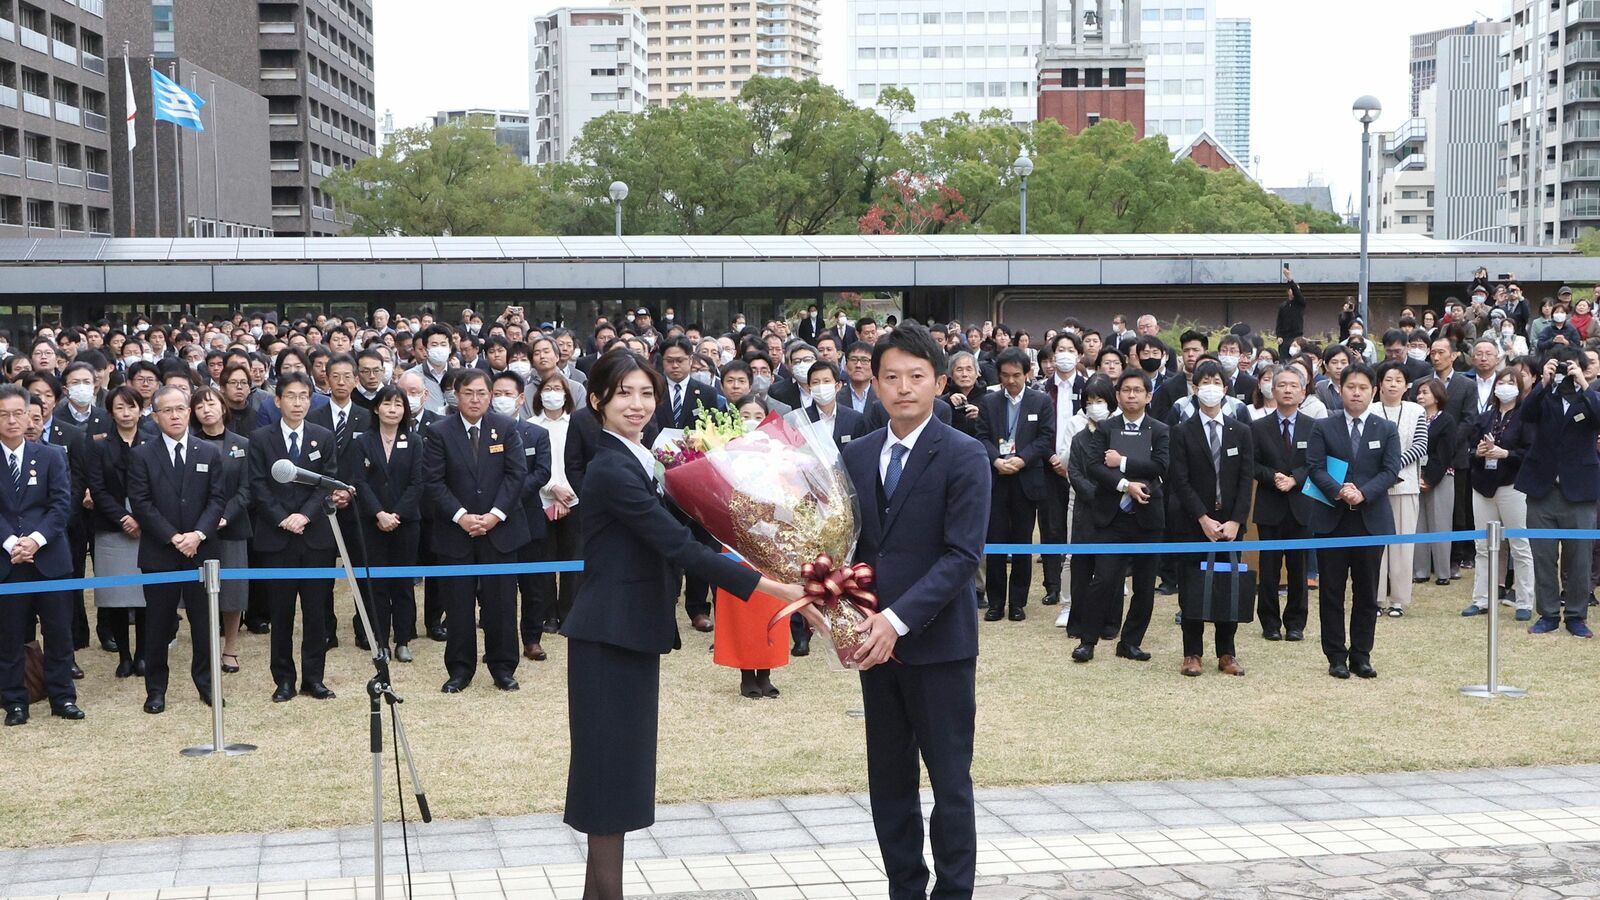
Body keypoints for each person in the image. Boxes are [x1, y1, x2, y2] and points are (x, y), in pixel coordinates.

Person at [560, 350, 804, 900]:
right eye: (624, 393)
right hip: (608, 636)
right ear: (598, 399)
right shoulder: (609, 467)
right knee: (608, 783)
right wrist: (775, 585)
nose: (637, 404)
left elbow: (690, 532)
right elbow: (678, 546)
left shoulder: (643, 458)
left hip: (630, 632)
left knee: (618, 779)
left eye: (646, 393)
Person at [836, 323, 989, 900]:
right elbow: (842, 547)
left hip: (939, 645)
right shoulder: (854, 453)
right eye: (891, 377)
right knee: (889, 782)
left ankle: (953, 892)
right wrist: (833, 609)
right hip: (874, 650)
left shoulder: (963, 454)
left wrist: (894, 620)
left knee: (950, 783)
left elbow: (961, 556)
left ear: (939, 382)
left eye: (917, 377)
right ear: (874, 383)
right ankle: (904, 888)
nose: (904, 388)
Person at [423, 368, 531, 693]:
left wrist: (495, 515)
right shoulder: (439, 432)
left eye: (482, 393)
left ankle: (503, 667)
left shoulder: (507, 428)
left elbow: (516, 475)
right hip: (456, 532)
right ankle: (459, 669)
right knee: (458, 604)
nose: (475, 399)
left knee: (501, 603)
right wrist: (461, 516)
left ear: (490, 395)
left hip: (500, 531)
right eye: (468, 393)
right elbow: (433, 481)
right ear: (456, 394)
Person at [125, 386, 227, 714]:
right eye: (166, 410)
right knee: (157, 625)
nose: (174, 415)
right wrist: (173, 537)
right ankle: (156, 689)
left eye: (180, 408)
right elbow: (141, 503)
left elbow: (217, 499)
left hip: (202, 551)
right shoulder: (142, 455)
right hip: (160, 553)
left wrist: (197, 534)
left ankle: (208, 683)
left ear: (189, 411)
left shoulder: (208, 452)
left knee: (204, 623)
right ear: (155, 416)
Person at [248, 372, 344, 703]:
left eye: (304, 396)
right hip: (277, 539)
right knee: (282, 612)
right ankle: (284, 680)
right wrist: (282, 518)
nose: (298, 402)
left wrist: (305, 515)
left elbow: (327, 481)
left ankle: (314, 678)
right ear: (278, 400)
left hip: (315, 535)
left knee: (316, 612)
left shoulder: (323, 436)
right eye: (291, 396)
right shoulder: (261, 438)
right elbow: (257, 485)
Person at [1307, 364, 1401, 680]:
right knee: (1331, 591)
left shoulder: (1385, 429)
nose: (1357, 392)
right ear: (1341, 389)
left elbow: (1389, 471)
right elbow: (1315, 467)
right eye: (1351, 387)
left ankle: (1361, 655)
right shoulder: (1324, 426)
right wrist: (1340, 491)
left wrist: (1362, 493)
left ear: (1373, 391)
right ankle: (1335, 656)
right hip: (1331, 520)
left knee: (1366, 591)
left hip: (1370, 519)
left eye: (1363, 387)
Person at [1073, 369, 1168, 664]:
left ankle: (1130, 642)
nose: (1131, 395)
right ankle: (1087, 641)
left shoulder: (1160, 429)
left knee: (1144, 585)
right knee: (1102, 580)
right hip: (1111, 516)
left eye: (1137, 390)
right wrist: (1126, 484)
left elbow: (1160, 467)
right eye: (1125, 390)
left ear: (1148, 396)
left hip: (1148, 516)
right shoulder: (1105, 428)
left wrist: (1122, 462)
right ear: (1118, 395)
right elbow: (1094, 467)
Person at [1168, 361, 1255, 676]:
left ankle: (1227, 653)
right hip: (1193, 524)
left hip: (1230, 525)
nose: (1210, 386)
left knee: (1227, 585)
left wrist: (1235, 520)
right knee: (1192, 585)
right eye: (1204, 381)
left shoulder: (1241, 431)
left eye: (1216, 380)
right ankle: (1192, 653)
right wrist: (1202, 517)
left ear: (1225, 387)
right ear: (1194, 388)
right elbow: (1179, 479)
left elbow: (1246, 481)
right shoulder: (1181, 431)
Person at [0, 383, 80, 725]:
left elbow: (62, 504)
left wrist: (34, 540)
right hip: (7, 562)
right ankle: (15, 702)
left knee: (59, 632)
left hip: (49, 559)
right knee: (9, 636)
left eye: (19, 414)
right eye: (4, 415)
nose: (13, 421)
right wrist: (10, 544)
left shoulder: (50, 456)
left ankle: (62, 697)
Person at [1516, 351, 1600, 639]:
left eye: (1570, 366)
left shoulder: (1591, 396)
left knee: (1579, 558)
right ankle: (1548, 614)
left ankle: (1577, 615)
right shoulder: (1544, 395)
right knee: (1543, 556)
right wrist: (1543, 382)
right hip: (1542, 489)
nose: (1565, 371)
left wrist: (1584, 383)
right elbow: (1524, 416)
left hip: (1580, 491)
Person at [975, 348, 1054, 622]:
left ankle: (1018, 602)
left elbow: (1046, 438)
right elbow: (981, 436)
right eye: (1005, 376)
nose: (1011, 381)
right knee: (995, 542)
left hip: (1026, 479)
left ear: (1027, 373)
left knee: (1022, 543)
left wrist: (1022, 459)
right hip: (997, 479)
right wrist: (996, 460)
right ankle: (996, 602)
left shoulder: (1040, 401)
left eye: (1016, 375)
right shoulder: (989, 402)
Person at [353, 385, 425, 661]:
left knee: (403, 583)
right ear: (376, 408)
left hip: (406, 523)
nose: (393, 409)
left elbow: (418, 482)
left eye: (398, 404)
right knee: (377, 585)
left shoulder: (415, 440)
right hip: (372, 523)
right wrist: (379, 514)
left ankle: (403, 640)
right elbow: (359, 481)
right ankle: (381, 640)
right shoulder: (363, 442)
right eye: (387, 404)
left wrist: (396, 514)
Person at [490, 371, 553, 662]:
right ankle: (499, 645)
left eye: (508, 394)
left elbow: (542, 472)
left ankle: (532, 639)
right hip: (493, 520)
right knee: (496, 590)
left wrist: (509, 497)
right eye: (497, 394)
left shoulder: (537, 433)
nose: (502, 399)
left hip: (528, 517)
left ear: (520, 399)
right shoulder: (484, 433)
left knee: (533, 586)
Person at [1462, 369, 1536, 619]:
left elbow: (1531, 454)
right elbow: (1468, 451)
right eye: (1501, 382)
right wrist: (1479, 452)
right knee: (1482, 545)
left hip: (1512, 486)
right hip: (1482, 485)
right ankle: (1481, 598)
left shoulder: (1526, 419)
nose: (1505, 386)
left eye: (1510, 382)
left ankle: (1525, 601)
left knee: (1519, 543)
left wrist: (1506, 454)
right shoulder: (1484, 418)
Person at [86, 386, 149, 679]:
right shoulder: (99, 445)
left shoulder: (152, 441)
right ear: (111, 412)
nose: (126, 413)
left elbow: (158, 486)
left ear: (140, 409)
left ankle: (143, 655)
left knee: (146, 595)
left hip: (147, 527)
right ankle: (124, 655)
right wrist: (124, 518)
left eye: (131, 407)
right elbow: (97, 488)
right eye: (120, 408)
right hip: (112, 527)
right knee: (116, 598)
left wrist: (141, 517)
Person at [1251, 366, 1316, 642]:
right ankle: (1269, 622)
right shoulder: (1257, 427)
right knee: (1269, 569)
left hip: (1301, 506)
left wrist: (1295, 479)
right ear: (1272, 390)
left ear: (1303, 392)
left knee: (1299, 569)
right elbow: (1251, 464)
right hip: (1270, 505)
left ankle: (1296, 623)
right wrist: (1272, 477)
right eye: (1282, 385)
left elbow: (1316, 463)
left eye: (1293, 386)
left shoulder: (1314, 427)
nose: (1287, 390)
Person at [191, 385, 251, 673]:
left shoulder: (242, 444)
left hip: (232, 525)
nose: (207, 409)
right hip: (198, 529)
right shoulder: (190, 443)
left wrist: (226, 515)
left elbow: (246, 488)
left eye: (212, 403)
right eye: (200, 406)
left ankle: (231, 648)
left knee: (233, 592)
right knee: (201, 593)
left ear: (223, 407)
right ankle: (206, 648)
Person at [1372, 361, 1428, 616]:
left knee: (1403, 546)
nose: (1393, 384)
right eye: (1388, 379)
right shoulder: (1370, 410)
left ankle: (1398, 600)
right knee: (1376, 546)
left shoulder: (1417, 410)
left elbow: (1420, 446)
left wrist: (1392, 468)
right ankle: (1375, 598)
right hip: (1374, 489)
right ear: (1380, 384)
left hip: (1406, 487)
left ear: (1407, 385)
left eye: (1398, 380)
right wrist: (1383, 474)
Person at [532, 369, 582, 639]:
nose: (552, 394)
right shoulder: (529, 425)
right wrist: (552, 489)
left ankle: (569, 613)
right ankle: (548, 614)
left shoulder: (577, 423)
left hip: (574, 501)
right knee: (545, 560)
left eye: (557, 388)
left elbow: (580, 463)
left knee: (573, 561)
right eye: (547, 388)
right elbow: (530, 466)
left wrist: (568, 494)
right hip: (541, 500)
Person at [1041, 334, 1085, 609]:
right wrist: (1052, 458)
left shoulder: (1089, 388)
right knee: (1050, 527)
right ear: (1053, 356)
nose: (1065, 354)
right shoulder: (1042, 388)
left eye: (1070, 349)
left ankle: (1078, 582)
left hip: (1081, 468)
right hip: (1049, 464)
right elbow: (1037, 430)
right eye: (1060, 350)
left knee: (1077, 526)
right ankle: (1052, 585)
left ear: (1079, 356)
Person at [1412, 378, 1457, 587]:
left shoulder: (1446, 420)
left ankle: (1442, 572)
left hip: (1440, 476)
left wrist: (1429, 479)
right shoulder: (1414, 418)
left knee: (1440, 524)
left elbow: (1445, 453)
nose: (1420, 396)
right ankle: (1420, 570)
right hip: (1414, 476)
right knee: (1418, 525)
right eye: (1419, 393)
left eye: (1425, 393)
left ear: (1437, 396)